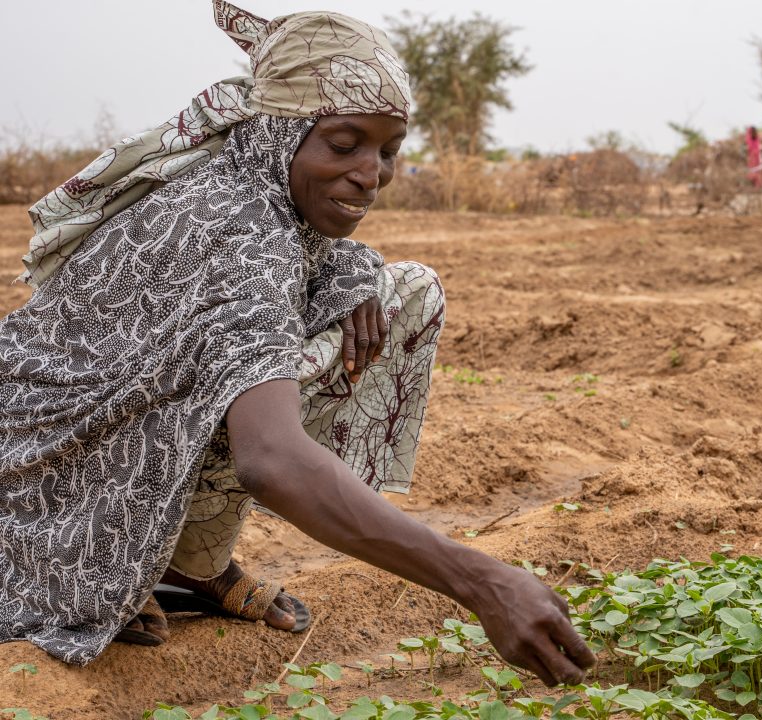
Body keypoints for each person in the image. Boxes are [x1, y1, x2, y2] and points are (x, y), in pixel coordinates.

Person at [0, 1, 596, 685]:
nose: (370, 173)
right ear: (280, 132)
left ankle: (187, 559)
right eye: (344, 145)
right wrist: (481, 580)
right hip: (37, 489)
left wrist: (356, 268)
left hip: (79, 444)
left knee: (404, 293)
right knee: (284, 373)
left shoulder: (247, 182)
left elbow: (301, 263)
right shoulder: (237, 229)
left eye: (387, 151)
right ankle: (112, 564)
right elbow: (272, 459)